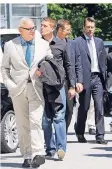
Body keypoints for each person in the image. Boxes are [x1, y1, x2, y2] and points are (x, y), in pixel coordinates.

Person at [1, 17, 52, 168]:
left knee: (36, 121)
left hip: (36, 88)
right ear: (20, 30)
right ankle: (27, 155)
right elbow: (4, 68)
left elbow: (50, 63)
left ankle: (38, 153)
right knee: (23, 124)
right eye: (29, 29)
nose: (32, 31)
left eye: (33, 28)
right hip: (18, 89)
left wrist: (43, 72)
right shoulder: (10, 45)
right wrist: (10, 85)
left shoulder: (43, 44)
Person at [40, 17, 76, 160]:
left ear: (52, 28)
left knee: (59, 116)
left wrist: (72, 86)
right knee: (45, 119)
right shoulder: (37, 44)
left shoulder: (61, 44)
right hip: (41, 85)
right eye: (41, 25)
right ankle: (50, 148)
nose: (41, 27)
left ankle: (61, 148)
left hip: (57, 85)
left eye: (45, 25)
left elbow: (69, 66)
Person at [73, 17, 108, 144]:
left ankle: (100, 136)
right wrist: (77, 80)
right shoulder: (77, 42)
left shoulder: (99, 42)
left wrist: (106, 79)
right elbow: (74, 62)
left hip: (98, 77)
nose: (90, 29)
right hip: (84, 79)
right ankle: (80, 132)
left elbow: (103, 60)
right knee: (84, 107)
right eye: (88, 27)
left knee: (99, 107)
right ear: (84, 27)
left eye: (92, 27)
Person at [56, 19, 83, 133]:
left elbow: (77, 64)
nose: (69, 32)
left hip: (69, 82)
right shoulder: (51, 43)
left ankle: (63, 134)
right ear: (59, 30)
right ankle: (57, 137)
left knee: (69, 110)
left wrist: (78, 81)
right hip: (55, 81)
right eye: (67, 30)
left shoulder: (71, 44)